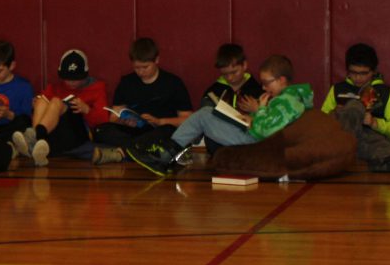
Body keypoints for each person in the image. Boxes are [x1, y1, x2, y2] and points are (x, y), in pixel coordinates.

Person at [127, 54, 312, 176]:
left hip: (253, 139)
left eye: (267, 83)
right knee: (208, 113)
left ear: (281, 80)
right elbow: (272, 124)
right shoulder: (290, 98)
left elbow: (265, 131)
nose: (263, 87)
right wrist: (252, 117)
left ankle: (167, 154)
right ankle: (172, 152)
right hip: (253, 132)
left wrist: (260, 110)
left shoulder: (286, 101)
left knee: (203, 116)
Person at [91, 37, 193, 164]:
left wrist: (160, 121)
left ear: (157, 60)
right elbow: (114, 116)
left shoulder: (173, 83)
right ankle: (141, 150)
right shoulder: (126, 82)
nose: (140, 72)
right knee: (101, 130)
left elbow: (187, 119)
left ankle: (122, 153)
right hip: (136, 131)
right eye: (136, 68)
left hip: (161, 129)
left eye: (145, 67)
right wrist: (124, 121)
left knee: (168, 132)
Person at [11, 49, 109, 167]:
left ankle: (35, 139)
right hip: (57, 131)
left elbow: (103, 120)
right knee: (42, 100)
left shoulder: (97, 88)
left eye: (76, 78)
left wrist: (86, 109)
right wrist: (36, 103)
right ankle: (38, 142)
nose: (71, 82)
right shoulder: (55, 87)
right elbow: (41, 104)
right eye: (68, 78)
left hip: (80, 132)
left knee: (56, 102)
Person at [321, 43, 390, 173]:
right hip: (342, 136)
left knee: (383, 147)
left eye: (363, 73)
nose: (358, 77)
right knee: (355, 105)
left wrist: (375, 123)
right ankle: (335, 156)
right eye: (353, 73)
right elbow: (322, 122)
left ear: (373, 71)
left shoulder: (385, 92)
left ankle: (383, 163)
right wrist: (337, 113)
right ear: (347, 70)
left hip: (369, 139)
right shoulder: (337, 89)